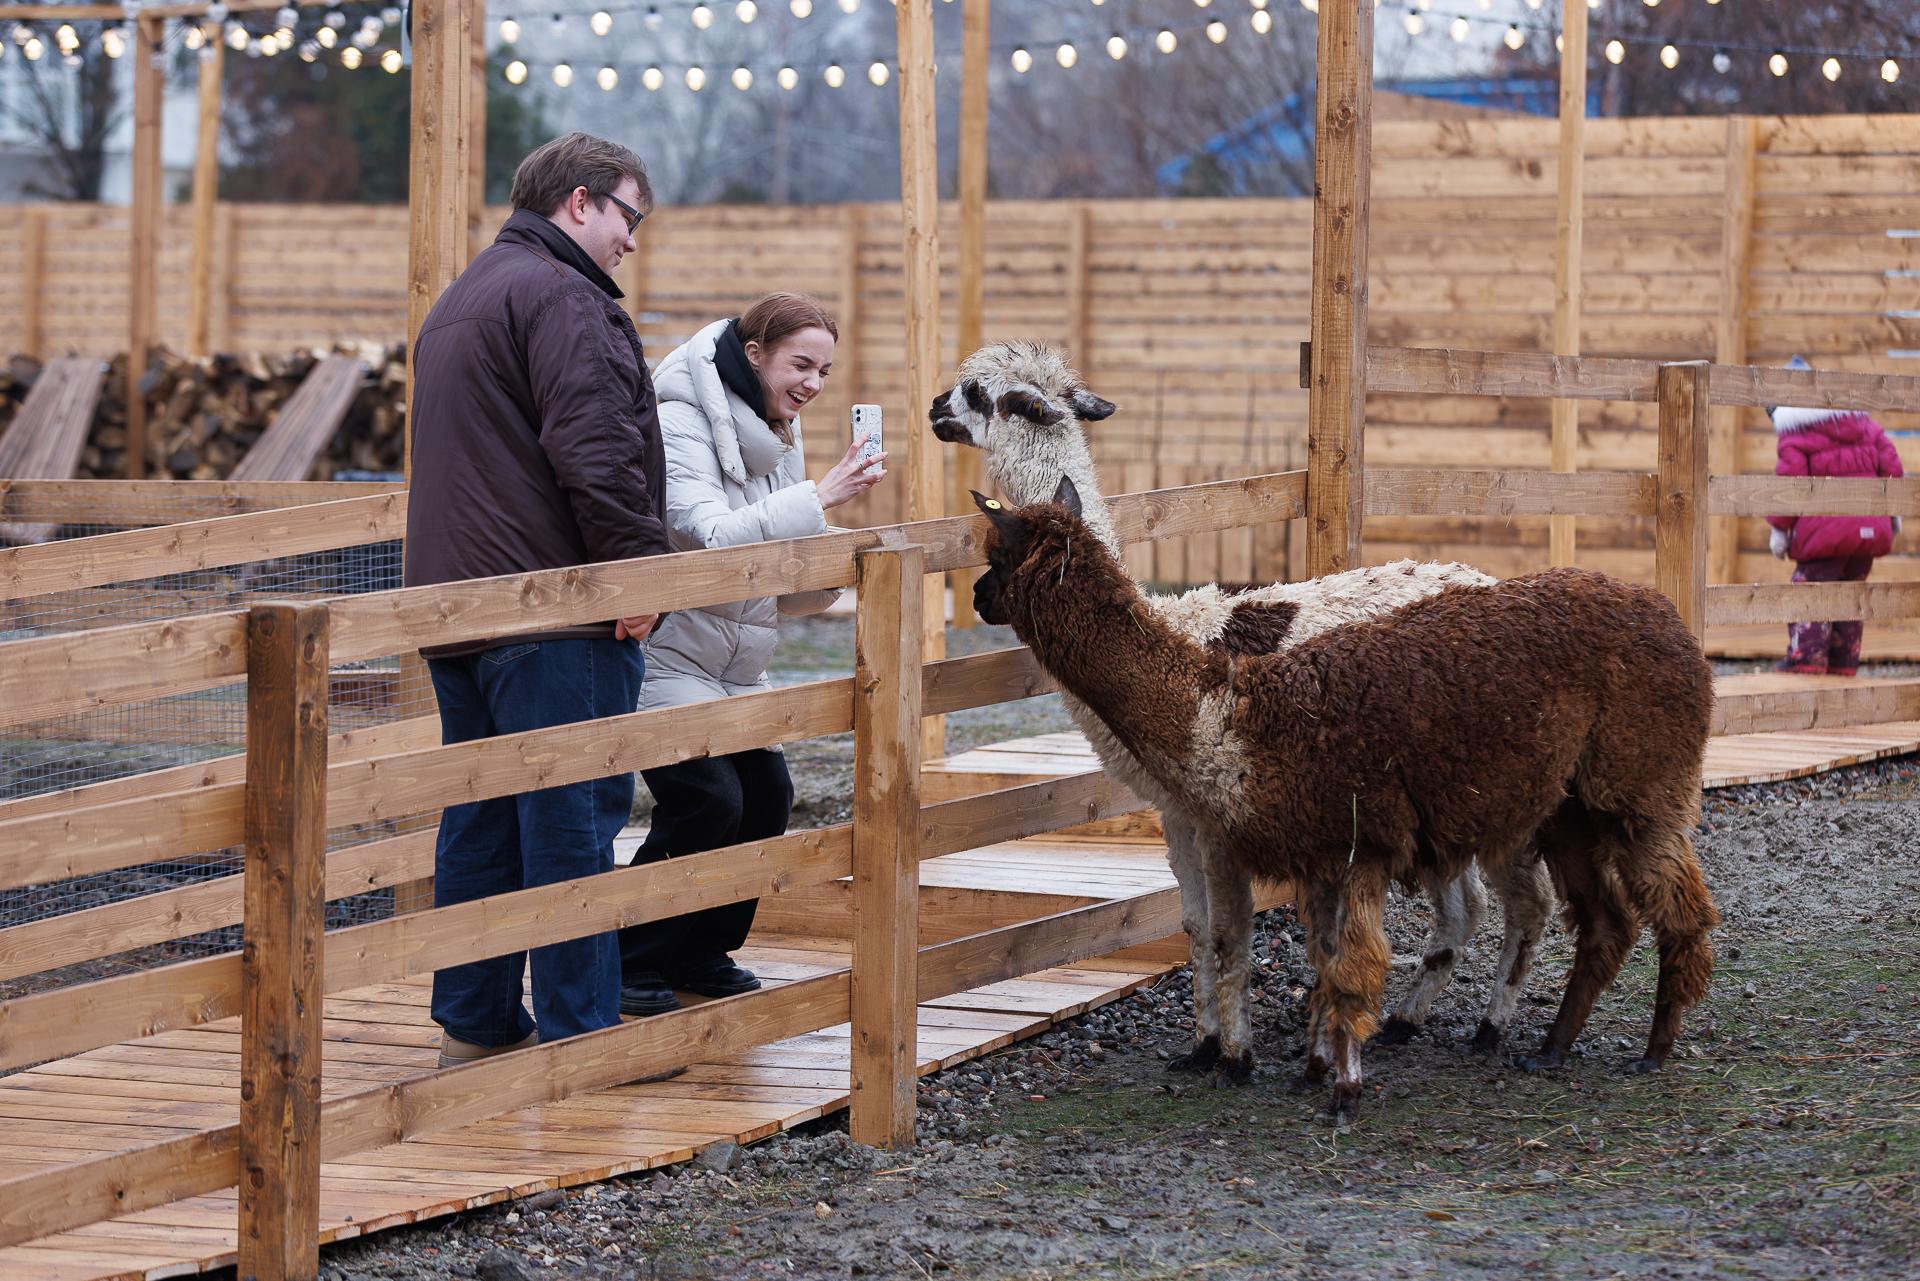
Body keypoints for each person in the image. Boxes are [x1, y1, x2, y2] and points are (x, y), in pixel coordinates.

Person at [403, 133, 670, 1066]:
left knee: (480, 818)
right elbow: (596, 453)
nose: (633, 242)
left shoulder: (464, 296)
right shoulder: (564, 296)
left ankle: (474, 1026)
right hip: (551, 609)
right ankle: (581, 1037)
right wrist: (640, 577)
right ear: (582, 202)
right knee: (572, 823)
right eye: (630, 218)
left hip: (457, 608)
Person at [617, 292, 888, 1016]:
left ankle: (701, 948)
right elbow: (711, 542)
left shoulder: (777, 428)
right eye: (802, 364)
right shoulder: (679, 421)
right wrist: (818, 495)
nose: (814, 384)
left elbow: (779, 582)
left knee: (767, 798)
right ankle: (629, 957)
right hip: (668, 657)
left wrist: (830, 554)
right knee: (707, 802)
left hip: (735, 664)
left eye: (826, 371)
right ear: (756, 352)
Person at [1766, 355, 1906, 677]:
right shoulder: (1864, 424)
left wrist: (1780, 529)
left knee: (1811, 589)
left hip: (1824, 535)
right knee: (1851, 593)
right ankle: (1843, 663)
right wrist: (1891, 511)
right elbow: (1892, 466)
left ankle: (1807, 658)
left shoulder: (1796, 434)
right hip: (1868, 532)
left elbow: (1791, 485)